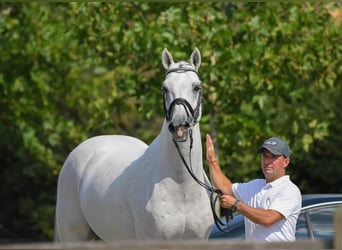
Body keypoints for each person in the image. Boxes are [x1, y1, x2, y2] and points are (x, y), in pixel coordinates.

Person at [206, 134, 301, 242]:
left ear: (286, 162)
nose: (266, 161)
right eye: (265, 156)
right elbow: (225, 188)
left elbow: (268, 219)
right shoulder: (255, 185)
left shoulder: (289, 190)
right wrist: (212, 160)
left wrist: (237, 205)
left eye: (273, 157)